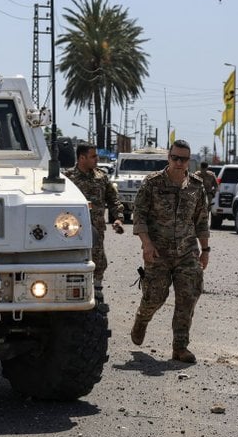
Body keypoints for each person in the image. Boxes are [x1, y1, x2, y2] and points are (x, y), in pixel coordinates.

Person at [130, 140, 210, 363]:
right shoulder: (152, 183)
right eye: (174, 157)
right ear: (168, 157)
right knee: (155, 296)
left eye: (183, 159)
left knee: (188, 296)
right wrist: (146, 244)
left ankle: (180, 347)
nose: (178, 162)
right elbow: (139, 216)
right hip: (158, 253)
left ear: (188, 161)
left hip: (186, 252)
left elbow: (202, 221)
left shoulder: (196, 186)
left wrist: (205, 250)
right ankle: (142, 319)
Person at [65, 142, 125, 293]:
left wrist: (118, 218)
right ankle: (72, 291)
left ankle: (97, 291)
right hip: (72, 230)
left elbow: (113, 199)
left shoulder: (101, 177)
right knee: (73, 260)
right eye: (93, 156)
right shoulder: (67, 178)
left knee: (99, 260)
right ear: (82, 158)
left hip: (96, 229)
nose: (97, 159)